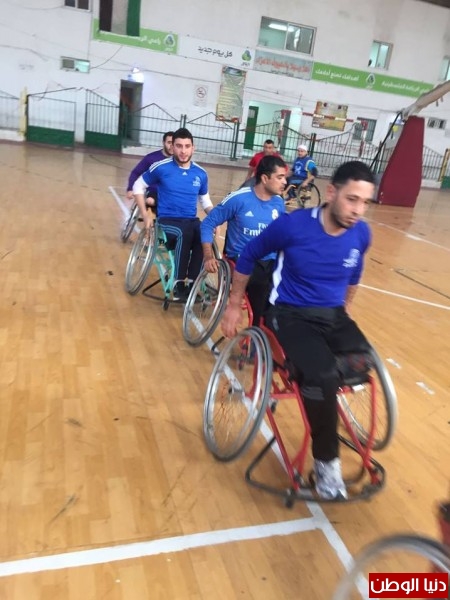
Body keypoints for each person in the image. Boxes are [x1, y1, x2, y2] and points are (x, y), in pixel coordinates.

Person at [221, 160, 375, 501]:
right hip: (288, 314)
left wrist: (345, 312)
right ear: (331, 193)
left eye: (365, 202)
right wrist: (233, 304)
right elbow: (249, 255)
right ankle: (326, 465)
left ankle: (316, 382)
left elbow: (354, 276)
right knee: (321, 376)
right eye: (352, 199)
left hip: (332, 314)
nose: (358, 210)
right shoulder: (293, 226)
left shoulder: (362, 233)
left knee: (364, 362)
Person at [200, 155, 287, 327]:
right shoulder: (238, 199)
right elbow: (207, 224)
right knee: (262, 291)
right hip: (242, 260)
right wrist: (209, 256)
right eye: (280, 177)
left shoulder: (278, 203)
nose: (285, 182)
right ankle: (257, 332)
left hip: (270, 260)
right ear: (264, 178)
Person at [132, 127, 213, 300]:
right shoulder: (161, 168)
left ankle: (192, 283)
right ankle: (178, 283)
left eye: (187, 146)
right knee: (185, 233)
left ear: (193, 148)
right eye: (179, 146)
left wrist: (214, 219)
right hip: (168, 220)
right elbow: (138, 186)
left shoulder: (200, 173)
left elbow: (205, 201)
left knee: (203, 233)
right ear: (172, 147)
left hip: (190, 220)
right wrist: (145, 214)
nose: (183, 151)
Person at [125, 131, 174, 211]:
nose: (171, 146)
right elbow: (135, 172)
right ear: (163, 143)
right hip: (153, 192)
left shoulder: (178, 161)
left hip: (170, 193)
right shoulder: (151, 158)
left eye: (174, 143)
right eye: (169, 142)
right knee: (151, 200)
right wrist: (130, 188)